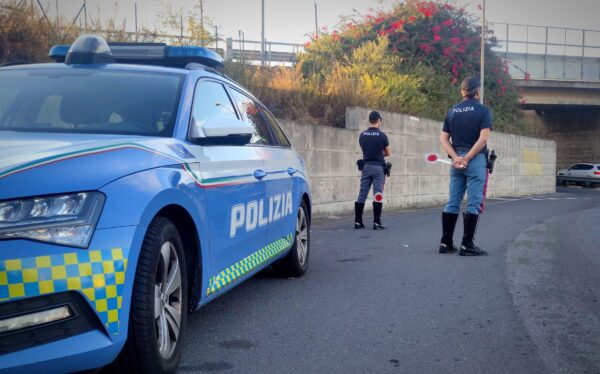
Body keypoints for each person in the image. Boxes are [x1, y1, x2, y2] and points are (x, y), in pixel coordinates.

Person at [438, 76, 492, 256]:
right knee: (474, 202)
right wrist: (467, 158)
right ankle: (467, 244)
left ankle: (445, 243)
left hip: (455, 161)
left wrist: (456, 157)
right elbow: (483, 138)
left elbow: (443, 138)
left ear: (462, 91)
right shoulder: (483, 111)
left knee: (453, 201)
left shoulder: (452, 111)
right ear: (477, 91)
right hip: (474, 160)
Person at [354, 111, 392, 230]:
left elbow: (365, 150)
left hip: (366, 167)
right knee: (378, 194)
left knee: (362, 194)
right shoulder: (382, 136)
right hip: (378, 168)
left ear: (370, 120)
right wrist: (379, 153)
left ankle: (358, 221)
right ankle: (376, 222)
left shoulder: (362, 135)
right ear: (379, 121)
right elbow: (388, 152)